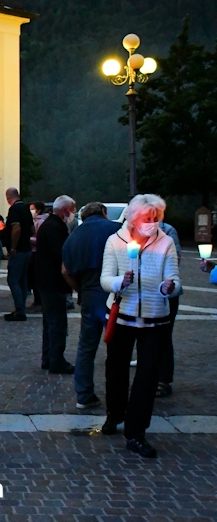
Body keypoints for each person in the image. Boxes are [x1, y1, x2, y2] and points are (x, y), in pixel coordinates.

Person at [100, 194, 180, 458]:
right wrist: (120, 282)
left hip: (155, 319)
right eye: (148, 218)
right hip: (123, 316)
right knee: (116, 368)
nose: (152, 223)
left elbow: (174, 280)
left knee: (147, 377)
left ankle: (136, 432)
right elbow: (105, 279)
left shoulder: (165, 242)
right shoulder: (115, 241)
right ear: (134, 218)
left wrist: (168, 287)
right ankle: (114, 412)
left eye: (156, 218)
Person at [62, 202, 121, 409]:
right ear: (104, 213)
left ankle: (84, 394)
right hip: (112, 295)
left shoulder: (73, 237)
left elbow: (65, 271)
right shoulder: (115, 230)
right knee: (117, 348)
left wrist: (80, 290)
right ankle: (117, 396)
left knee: (86, 347)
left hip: (87, 293)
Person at [35, 195, 77, 374]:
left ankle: (49, 357)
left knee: (50, 322)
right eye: (72, 210)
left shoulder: (50, 225)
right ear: (65, 210)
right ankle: (56, 359)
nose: (73, 214)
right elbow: (59, 255)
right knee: (57, 323)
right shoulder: (54, 228)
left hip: (46, 281)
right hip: (53, 283)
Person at [156, 220, 182, 398]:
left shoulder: (167, 231)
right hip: (143, 295)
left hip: (164, 293)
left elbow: (175, 260)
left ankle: (163, 380)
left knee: (164, 337)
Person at [3, 187, 34, 321]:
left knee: (13, 279)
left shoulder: (14, 209)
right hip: (27, 249)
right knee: (22, 280)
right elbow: (32, 229)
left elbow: (16, 228)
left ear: (8, 197)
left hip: (19, 250)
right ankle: (21, 307)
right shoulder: (26, 209)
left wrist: (13, 247)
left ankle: (19, 310)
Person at [28, 201, 48, 311]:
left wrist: (28, 239)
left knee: (36, 278)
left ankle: (39, 301)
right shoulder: (36, 221)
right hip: (34, 251)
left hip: (37, 252)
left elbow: (40, 239)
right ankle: (37, 301)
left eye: (32, 209)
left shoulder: (41, 222)